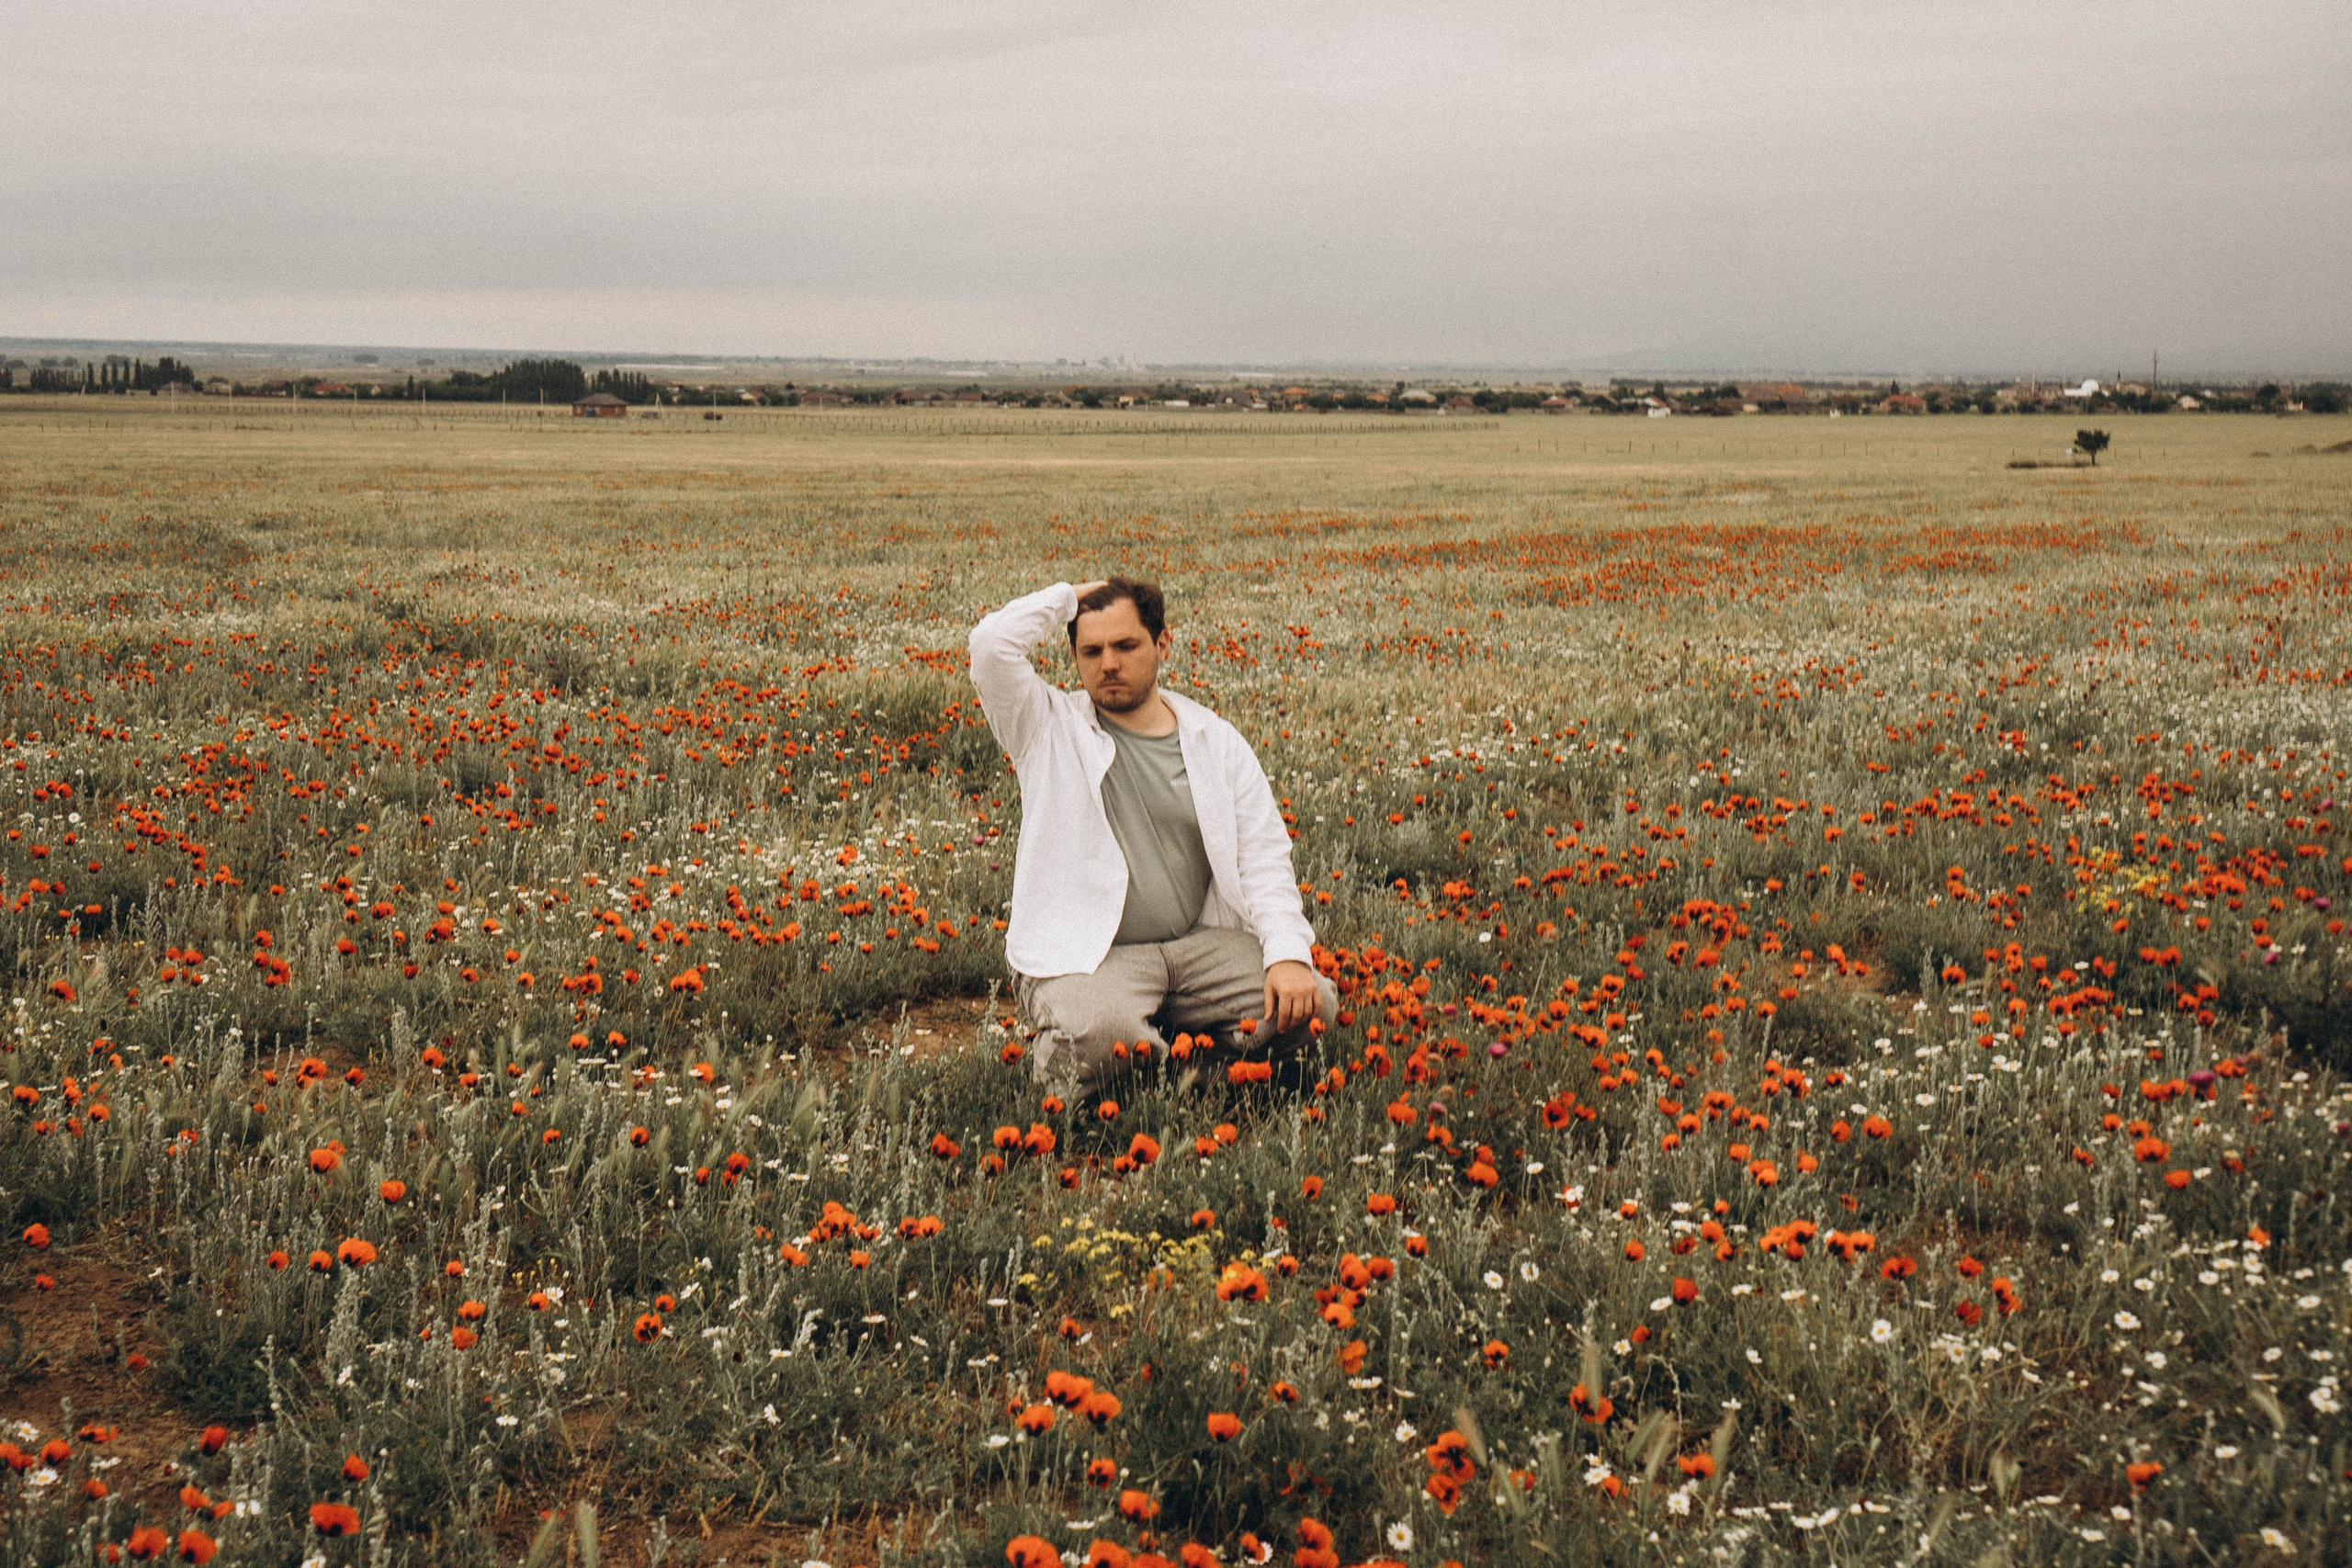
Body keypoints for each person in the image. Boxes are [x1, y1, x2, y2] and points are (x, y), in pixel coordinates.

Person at [967, 576, 1337, 1092]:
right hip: (1086, 958)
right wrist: (1065, 598)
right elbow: (989, 647)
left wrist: (1288, 956)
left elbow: (1263, 856)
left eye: (1125, 645)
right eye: (1091, 650)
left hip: (1193, 948)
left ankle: (1179, 1068)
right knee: (1102, 1033)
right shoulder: (1045, 727)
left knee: (1311, 1001)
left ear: (1162, 645)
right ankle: (1151, 1058)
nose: (1108, 664)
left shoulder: (1215, 740)